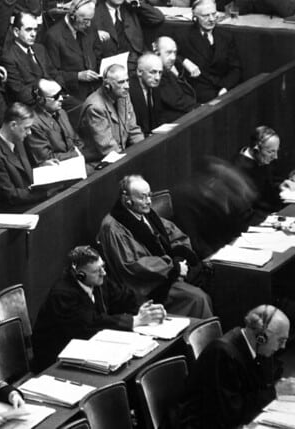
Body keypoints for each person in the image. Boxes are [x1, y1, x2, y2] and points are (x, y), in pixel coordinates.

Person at [32, 246, 166, 370]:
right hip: (54, 359)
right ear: (80, 275)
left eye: (103, 266)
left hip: (89, 350)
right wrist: (134, 321)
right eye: (97, 271)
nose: (103, 273)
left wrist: (146, 310)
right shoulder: (63, 294)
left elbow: (124, 296)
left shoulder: (98, 281)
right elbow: (90, 324)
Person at [97, 174, 213, 318]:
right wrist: (173, 268)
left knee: (214, 280)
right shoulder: (113, 227)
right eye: (142, 197)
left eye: (149, 196)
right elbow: (132, 265)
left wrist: (180, 257)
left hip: (165, 273)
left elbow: (175, 234)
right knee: (198, 299)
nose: (149, 202)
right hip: (145, 286)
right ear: (127, 199)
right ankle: (199, 338)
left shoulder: (145, 214)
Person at [174, 305, 292, 429]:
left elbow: (263, 384)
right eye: (280, 340)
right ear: (261, 337)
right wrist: (274, 392)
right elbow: (231, 413)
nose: (283, 346)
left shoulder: (258, 349)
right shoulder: (223, 354)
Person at [172, 156, 256, 259]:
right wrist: (217, 259)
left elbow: (241, 224)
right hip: (211, 257)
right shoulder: (185, 198)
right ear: (210, 180)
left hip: (233, 249)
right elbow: (194, 241)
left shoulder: (224, 193)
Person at [0, 102, 47, 213]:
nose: (29, 132)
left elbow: (27, 171)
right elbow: (10, 196)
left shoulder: (18, 140)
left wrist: (43, 166)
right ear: (13, 125)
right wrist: (44, 193)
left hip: (27, 200)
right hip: (12, 210)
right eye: (26, 128)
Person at [92, 0, 165, 73]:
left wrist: (135, 2)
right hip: (110, 64)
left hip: (136, 60)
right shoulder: (95, 11)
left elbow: (158, 18)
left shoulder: (131, 7)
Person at [177, 0, 241, 103]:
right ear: (195, 17)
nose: (211, 19)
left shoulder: (226, 37)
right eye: (206, 15)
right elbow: (168, 57)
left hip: (224, 90)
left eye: (214, 14)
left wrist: (225, 88)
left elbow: (236, 69)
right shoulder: (183, 36)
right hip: (198, 96)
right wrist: (184, 61)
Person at [77, 63, 144, 163]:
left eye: (127, 80)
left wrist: (144, 149)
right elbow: (108, 148)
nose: (127, 86)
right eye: (121, 82)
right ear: (108, 86)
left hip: (120, 154)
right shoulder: (95, 107)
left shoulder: (123, 95)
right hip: (99, 162)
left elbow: (133, 130)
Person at [45, 0, 101, 103]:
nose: (89, 25)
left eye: (90, 20)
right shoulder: (54, 36)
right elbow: (52, 73)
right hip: (73, 95)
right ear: (72, 16)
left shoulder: (90, 26)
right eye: (85, 20)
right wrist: (77, 76)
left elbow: (98, 54)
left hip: (96, 89)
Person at [233, 126, 294, 223]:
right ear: (256, 149)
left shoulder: (261, 158)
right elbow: (243, 212)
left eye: (277, 151)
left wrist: (280, 185)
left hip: (275, 213)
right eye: (271, 152)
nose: (275, 157)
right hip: (259, 223)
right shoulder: (238, 170)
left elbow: (268, 182)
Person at [0, 11, 55, 105]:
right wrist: (47, 99)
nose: (33, 34)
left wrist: (58, 93)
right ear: (16, 32)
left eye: (35, 29)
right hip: (32, 105)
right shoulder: (8, 56)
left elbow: (54, 73)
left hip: (53, 98)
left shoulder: (40, 49)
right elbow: (19, 92)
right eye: (28, 30)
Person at [27, 79, 86, 166]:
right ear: (41, 100)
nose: (61, 98)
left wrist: (79, 152)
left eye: (61, 94)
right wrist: (76, 154)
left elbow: (77, 140)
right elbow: (46, 159)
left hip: (78, 162)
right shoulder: (33, 124)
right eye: (56, 96)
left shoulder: (62, 112)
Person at [152, 36, 197, 123]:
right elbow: (178, 102)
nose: (173, 57)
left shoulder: (173, 67)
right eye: (168, 53)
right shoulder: (156, 73)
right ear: (156, 53)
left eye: (175, 52)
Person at [128, 53, 163, 135]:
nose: (157, 78)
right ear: (139, 72)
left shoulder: (154, 87)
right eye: (153, 72)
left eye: (160, 72)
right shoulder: (129, 91)